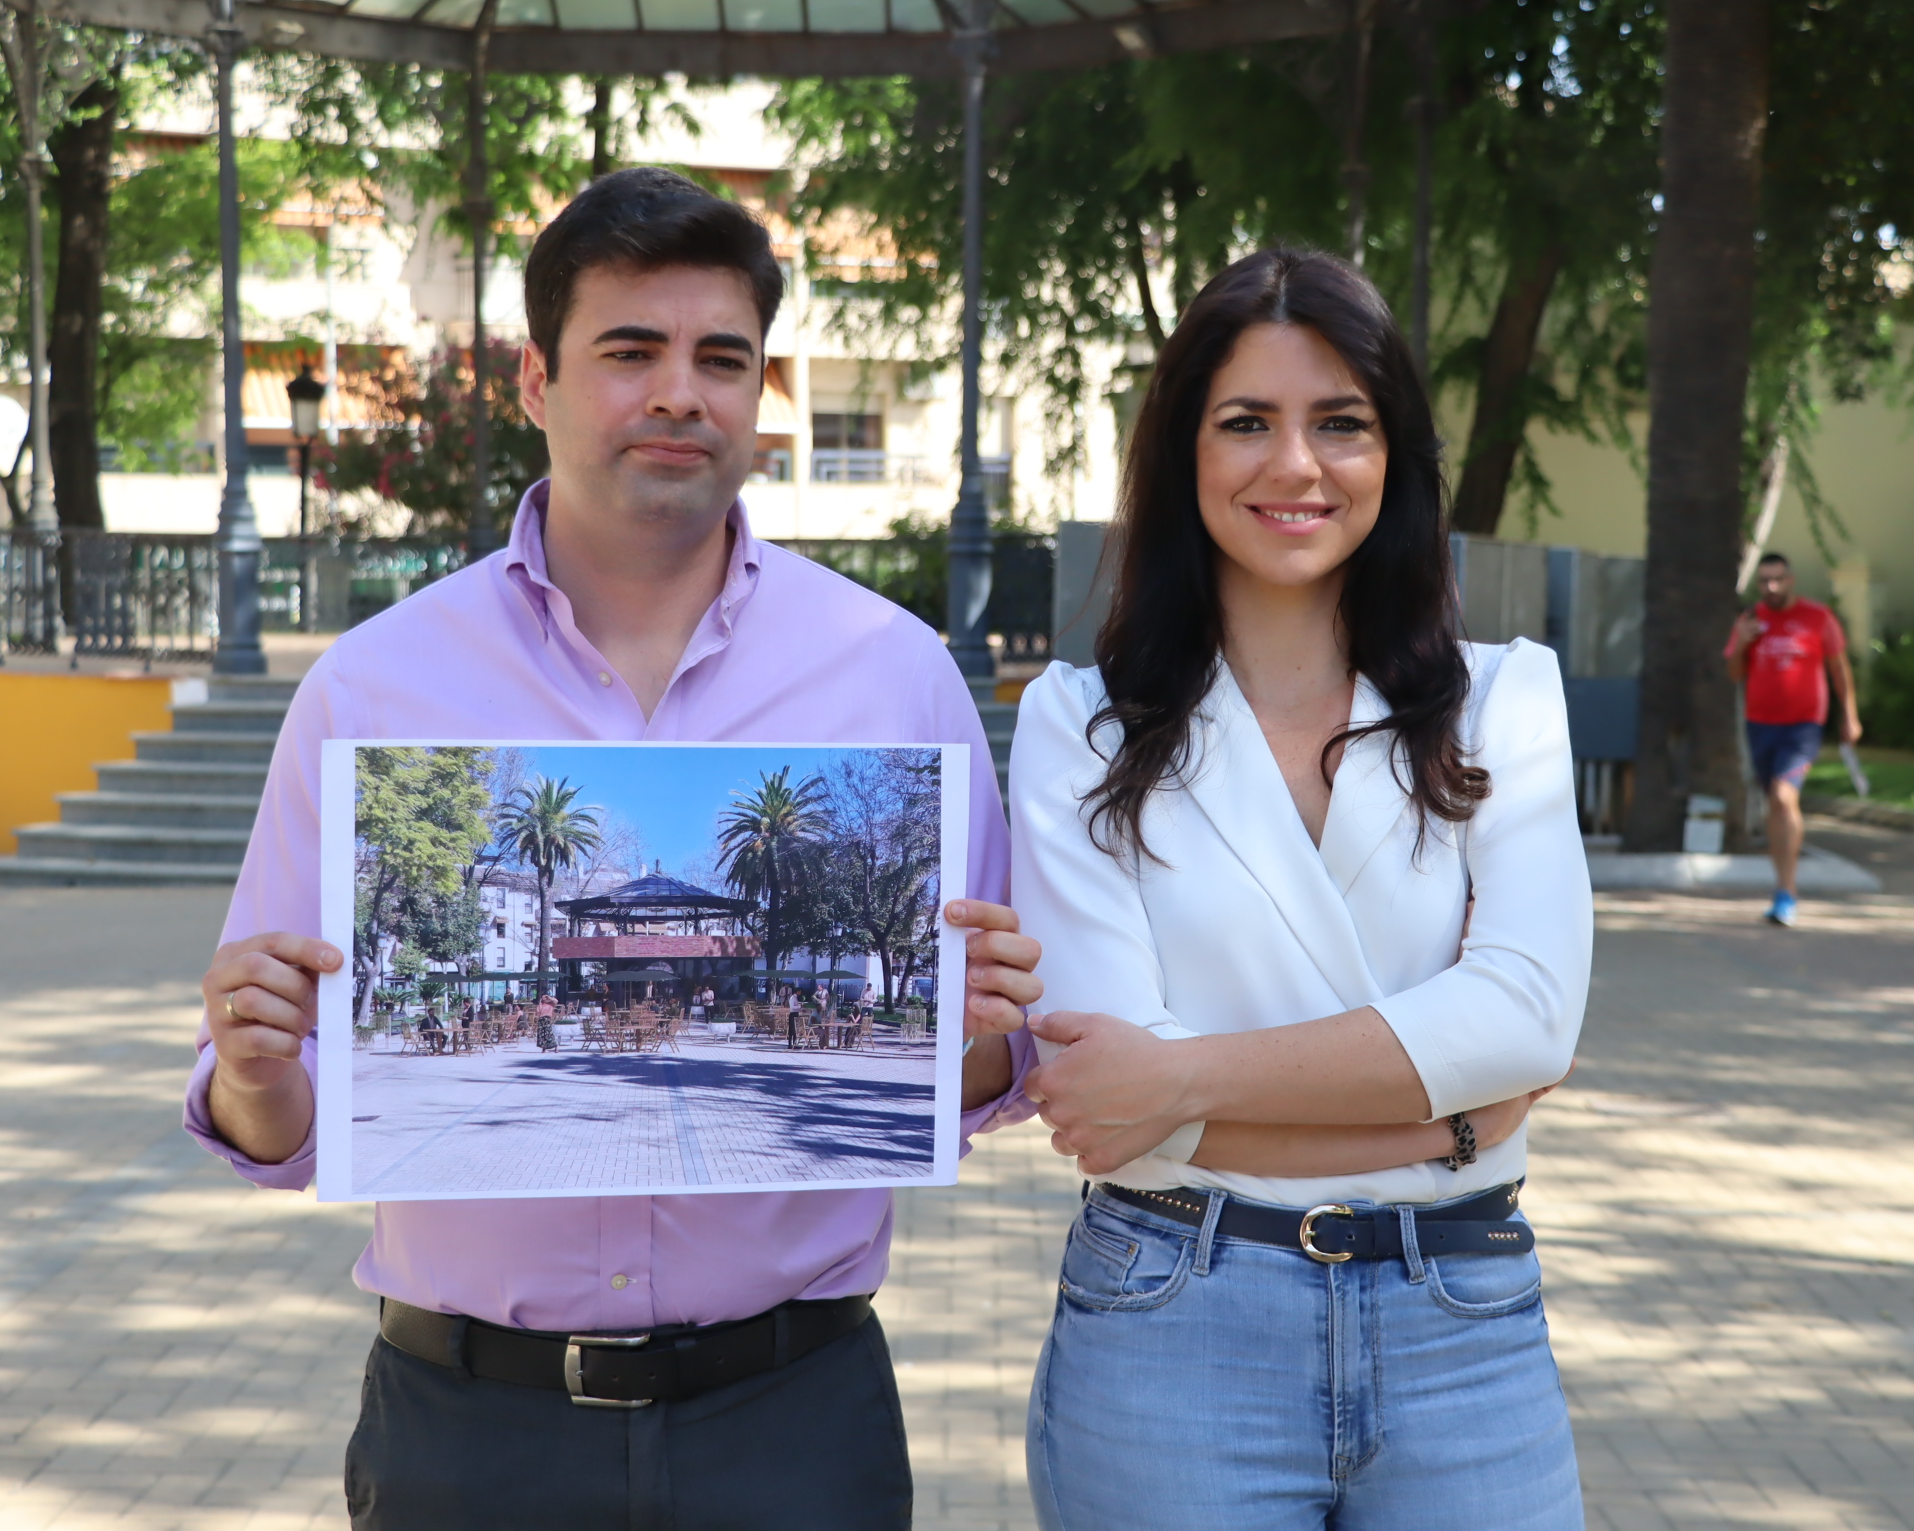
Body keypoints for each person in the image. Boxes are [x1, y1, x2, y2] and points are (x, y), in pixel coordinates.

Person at [189, 167, 1043, 1530]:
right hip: (468, 1431)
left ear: (762, 390)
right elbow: (277, 1127)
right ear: (536, 378)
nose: (677, 394)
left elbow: (981, 1082)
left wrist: (985, 1028)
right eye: (628, 352)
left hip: (794, 1417)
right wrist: (248, 1066)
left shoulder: (898, 677)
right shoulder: (371, 690)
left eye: (722, 358)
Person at [1009, 249, 1591, 1531]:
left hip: (1465, 1316)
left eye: (1342, 423)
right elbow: (1113, 1103)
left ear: (1396, 456)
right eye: (1247, 423)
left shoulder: (1506, 699)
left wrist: (1194, 1080)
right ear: (1183, 452)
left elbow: (1529, 1021)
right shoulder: (1078, 728)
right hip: (1174, 1309)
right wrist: (1453, 1119)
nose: (1297, 466)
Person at [1726, 550, 1860, 927]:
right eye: (1764, 581)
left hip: (1803, 725)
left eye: (1777, 579)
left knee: (1784, 797)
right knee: (1774, 804)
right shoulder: (1750, 620)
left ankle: (1788, 891)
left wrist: (1849, 715)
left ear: (1791, 580)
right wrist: (1742, 642)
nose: (1771, 587)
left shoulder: (1817, 618)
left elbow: (1839, 668)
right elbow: (1734, 674)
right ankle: (1781, 886)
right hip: (1761, 724)